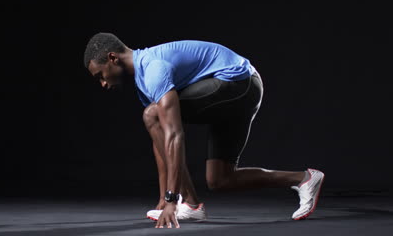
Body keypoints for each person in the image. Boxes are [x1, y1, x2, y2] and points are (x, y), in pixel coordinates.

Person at [82, 32, 325, 229]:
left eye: (100, 76)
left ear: (113, 58)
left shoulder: (153, 69)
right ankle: (304, 179)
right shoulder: (143, 84)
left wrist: (169, 200)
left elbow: (174, 135)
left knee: (153, 115)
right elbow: (160, 141)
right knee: (220, 180)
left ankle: (188, 203)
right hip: (238, 92)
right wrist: (161, 199)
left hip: (239, 83)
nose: (102, 83)